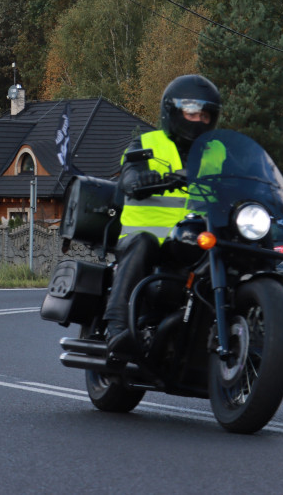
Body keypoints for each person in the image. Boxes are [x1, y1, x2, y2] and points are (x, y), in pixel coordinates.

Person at [104, 74, 221, 355]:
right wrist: (143, 180)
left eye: (206, 115)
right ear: (173, 112)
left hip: (194, 242)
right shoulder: (146, 144)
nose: (199, 120)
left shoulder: (218, 151)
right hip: (147, 243)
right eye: (192, 112)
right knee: (143, 241)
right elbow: (128, 178)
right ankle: (117, 327)